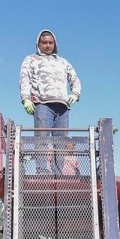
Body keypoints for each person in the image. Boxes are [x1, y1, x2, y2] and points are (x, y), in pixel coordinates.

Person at [19, 29, 81, 175]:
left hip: (62, 107)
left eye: (50, 43)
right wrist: (26, 99)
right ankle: (42, 170)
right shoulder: (31, 59)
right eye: (44, 42)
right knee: (42, 138)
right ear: (38, 44)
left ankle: (58, 172)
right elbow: (24, 79)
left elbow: (74, 78)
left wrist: (76, 93)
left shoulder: (62, 62)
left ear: (55, 44)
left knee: (61, 142)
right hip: (43, 104)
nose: (47, 45)